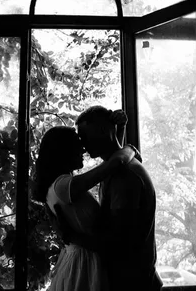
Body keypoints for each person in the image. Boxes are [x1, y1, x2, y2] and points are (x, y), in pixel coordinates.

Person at [33, 122, 137, 291]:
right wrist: (131, 148)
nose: (83, 150)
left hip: (80, 260)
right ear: (64, 151)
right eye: (77, 146)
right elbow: (115, 162)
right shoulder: (63, 186)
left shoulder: (57, 186)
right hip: (85, 264)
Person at [76, 105, 163, 291]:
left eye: (84, 136)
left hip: (133, 283)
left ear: (101, 130)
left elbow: (117, 240)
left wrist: (74, 236)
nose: (82, 144)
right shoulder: (116, 169)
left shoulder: (124, 176)